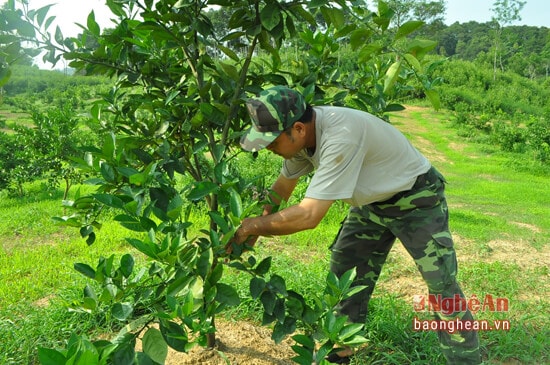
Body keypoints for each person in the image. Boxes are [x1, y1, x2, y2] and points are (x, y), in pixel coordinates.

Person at [231, 85, 481, 364]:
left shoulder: (341, 136)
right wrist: (247, 229)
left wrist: (253, 226)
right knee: (344, 275)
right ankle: (338, 353)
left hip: (416, 199)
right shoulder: (302, 141)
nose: (269, 148)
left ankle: (466, 360)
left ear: (298, 129)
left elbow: (308, 216)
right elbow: (281, 189)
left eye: (272, 142)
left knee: (441, 284)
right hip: (371, 204)